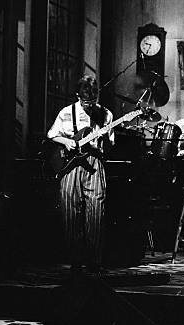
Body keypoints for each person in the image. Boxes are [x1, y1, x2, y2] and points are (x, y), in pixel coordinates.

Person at [47, 75, 114, 275]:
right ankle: (75, 260)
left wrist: (104, 138)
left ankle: (94, 260)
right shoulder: (66, 112)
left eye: (92, 102)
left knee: (96, 211)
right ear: (78, 95)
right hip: (70, 165)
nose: (89, 106)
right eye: (85, 102)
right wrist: (65, 141)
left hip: (94, 162)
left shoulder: (105, 114)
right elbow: (52, 134)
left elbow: (110, 146)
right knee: (70, 211)